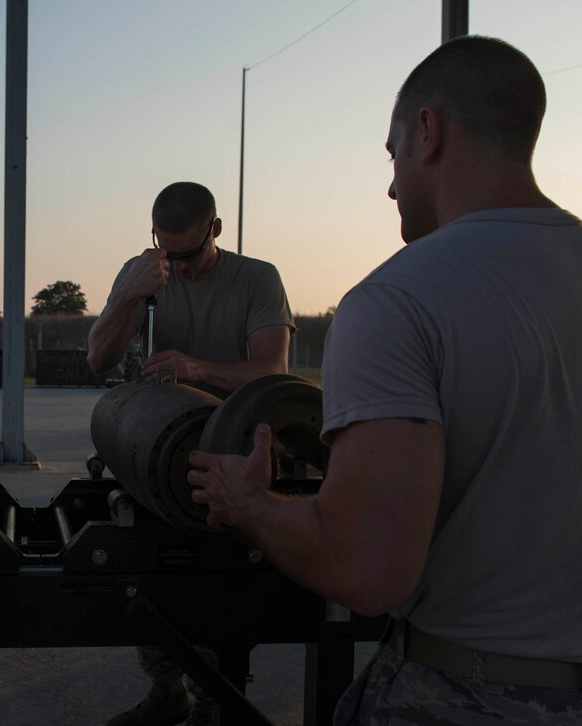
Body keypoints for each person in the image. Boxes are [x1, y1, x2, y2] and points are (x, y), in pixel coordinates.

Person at [188, 36, 582, 723]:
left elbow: (365, 566)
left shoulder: (398, 301)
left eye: (393, 153)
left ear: (427, 132)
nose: (393, 182)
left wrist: (248, 502)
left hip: (481, 695)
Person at [89, 181, 295, 725]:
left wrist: (197, 369)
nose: (176, 266)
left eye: (189, 253)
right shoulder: (143, 273)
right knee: (146, 572)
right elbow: (98, 360)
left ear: (216, 231)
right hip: (158, 450)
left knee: (222, 585)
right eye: (166, 251)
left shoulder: (257, 279)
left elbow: (273, 370)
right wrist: (128, 294)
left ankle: (214, 700)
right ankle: (167, 691)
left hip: (229, 447)